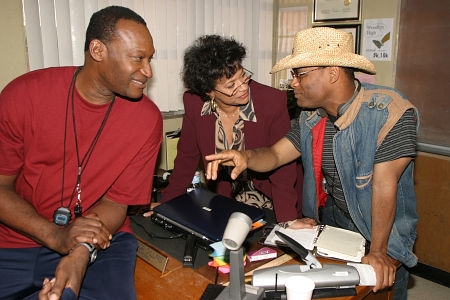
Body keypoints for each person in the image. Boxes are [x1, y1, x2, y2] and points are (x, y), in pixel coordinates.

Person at [205, 27, 418, 299]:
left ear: (331, 73)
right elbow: (275, 154)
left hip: (383, 232)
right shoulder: (311, 118)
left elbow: (384, 186)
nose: (292, 83)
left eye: (299, 74)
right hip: (334, 224)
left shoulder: (390, 113)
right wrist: (245, 156)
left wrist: (377, 252)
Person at [0, 6, 162, 300]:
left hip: (99, 239)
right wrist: (56, 236)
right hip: (12, 239)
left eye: (150, 59)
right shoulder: (23, 95)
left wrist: (80, 253)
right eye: (138, 58)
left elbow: (116, 203)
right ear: (98, 50)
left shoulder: (147, 120)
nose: (148, 71)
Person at [153, 35, 301, 225]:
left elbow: (283, 170)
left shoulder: (271, 102)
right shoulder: (194, 104)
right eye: (231, 85)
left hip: (272, 200)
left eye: (242, 76)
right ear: (209, 92)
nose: (242, 87)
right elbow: (186, 158)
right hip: (226, 202)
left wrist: (287, 221)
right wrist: (167, 207)